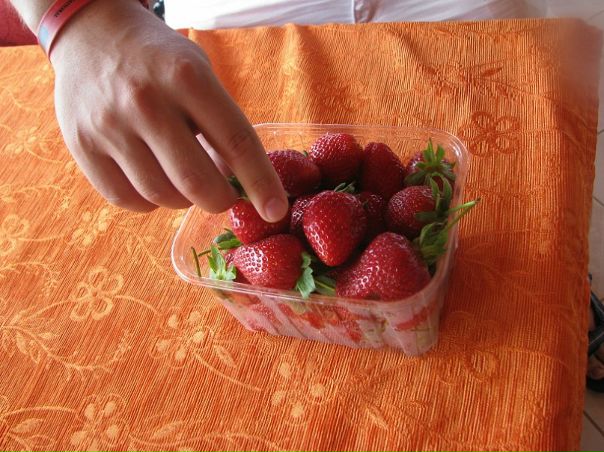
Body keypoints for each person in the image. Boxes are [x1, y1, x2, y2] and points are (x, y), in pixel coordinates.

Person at [9, 0, 604, 390]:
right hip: (240, 15)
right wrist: (76, 19)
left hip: (462, 8)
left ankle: (564, 290)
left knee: (529, 198)